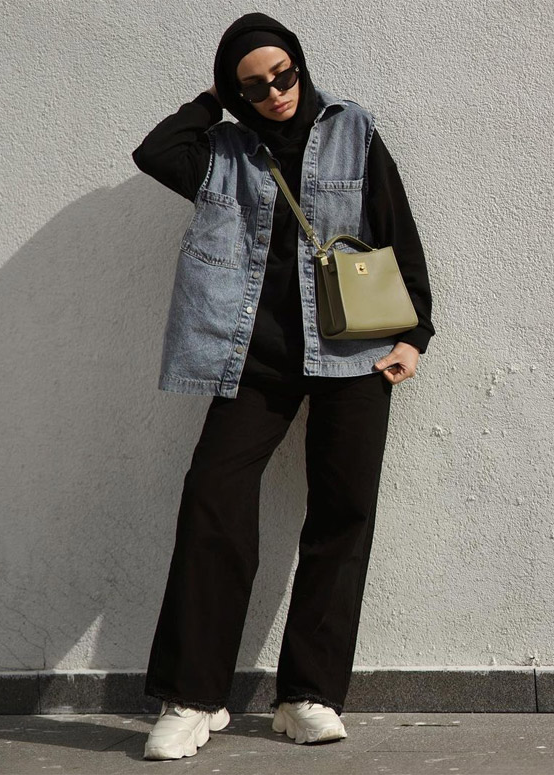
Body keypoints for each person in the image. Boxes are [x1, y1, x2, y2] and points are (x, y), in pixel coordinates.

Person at [132, 12, 435, 761]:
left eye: (284, 74)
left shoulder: (354, 129)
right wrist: (214, 101)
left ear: (301, 64)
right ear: (236, 93)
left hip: (353, 354)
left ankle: (307, 695)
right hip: (253, 360)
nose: (275, 93)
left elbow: (395, 227)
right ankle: (194, 698)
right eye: (254, 86)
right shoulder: (221, 151)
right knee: (213, 501)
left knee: (342, 515)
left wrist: (414, 334)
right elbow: (155, 153)